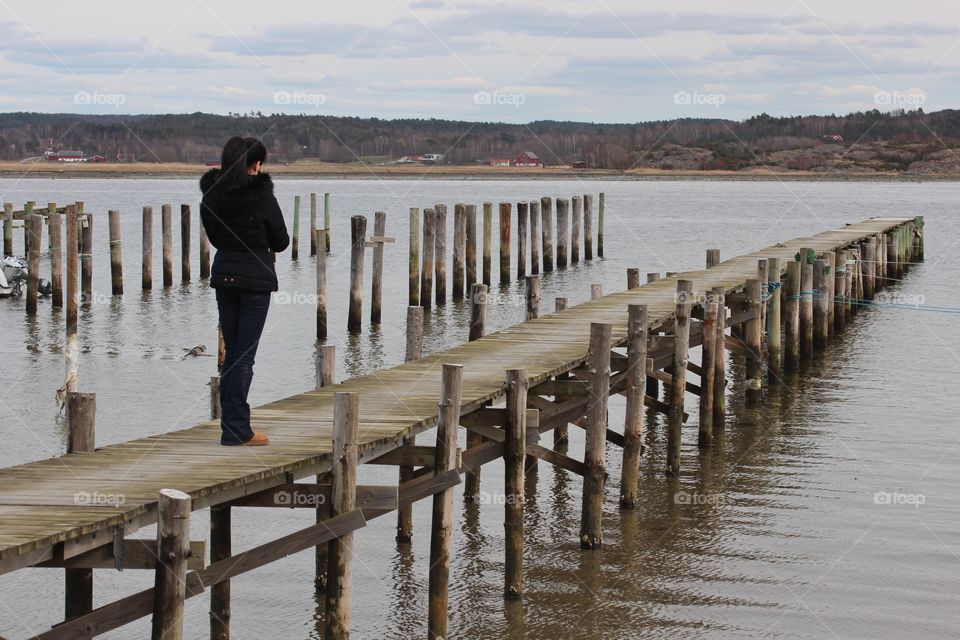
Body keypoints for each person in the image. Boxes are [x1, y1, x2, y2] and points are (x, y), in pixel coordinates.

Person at [200, 137, 289, 445]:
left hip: (224, 277)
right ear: (256, 164)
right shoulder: (262, 197)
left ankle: (232, 426)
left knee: (234, 354)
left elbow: (214, 237)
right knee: (243, 356)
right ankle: (237, 429)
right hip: (255, 280)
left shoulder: (211, 195)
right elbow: (280, 241)